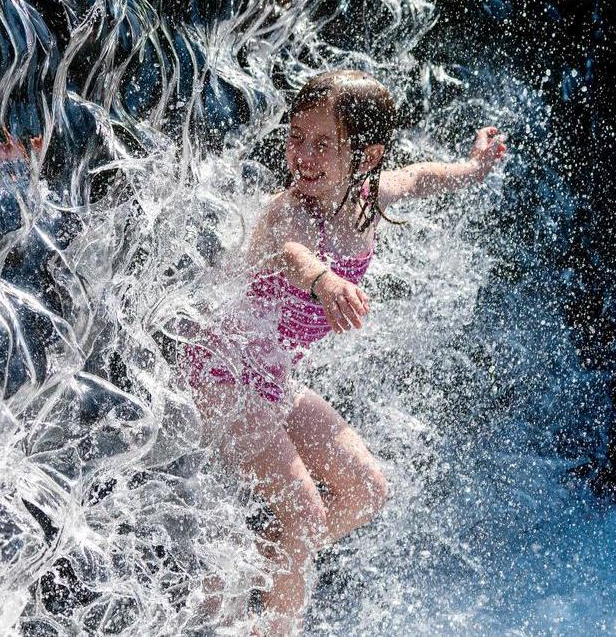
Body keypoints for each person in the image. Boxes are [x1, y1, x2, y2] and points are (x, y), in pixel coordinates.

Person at [184, 69, 507, 633]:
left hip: (273, 379)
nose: (303, 156)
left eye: (323, 144)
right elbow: (290, 254)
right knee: (306, 512)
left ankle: (250, 566)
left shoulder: (367, 198)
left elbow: (422, 178)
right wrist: (326, 283)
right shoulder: (289, 211)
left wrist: (474, 168)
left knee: (366, 489)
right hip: (221, 374)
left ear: (366, 156)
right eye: (296, 138)